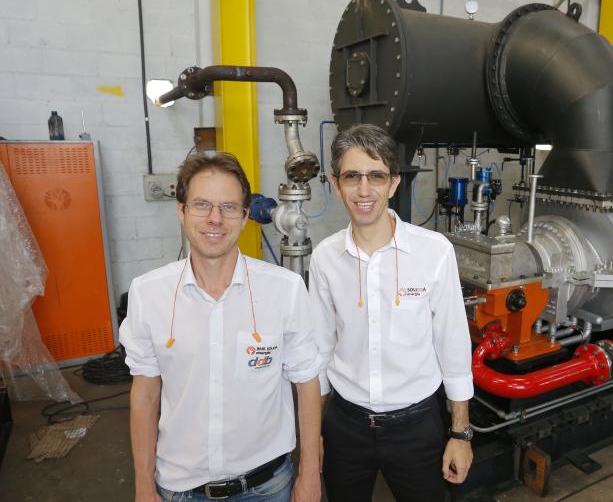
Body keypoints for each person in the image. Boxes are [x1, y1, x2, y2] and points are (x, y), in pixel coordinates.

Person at [119, 153, 322, 502]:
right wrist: (142, 484)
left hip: (269, 486)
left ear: (245, 218)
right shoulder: (148, 293)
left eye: (229, 207)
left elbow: (307, 384)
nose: (215, 219)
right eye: (201, 205)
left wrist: (310, 475)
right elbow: (145, 393)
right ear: (181, 211)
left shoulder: (285, 289)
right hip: (181, 488)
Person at [309, 124, 474, 501]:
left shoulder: (433, 252)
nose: (364, 190)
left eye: (376, 176)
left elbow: (453, 347)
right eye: (352, 177)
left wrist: (460, 434)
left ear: (394, 183)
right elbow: (317, 354)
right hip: (345, 427)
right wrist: (314, 434)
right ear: (336, 185)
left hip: (418, 427)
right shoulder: (325, 259)